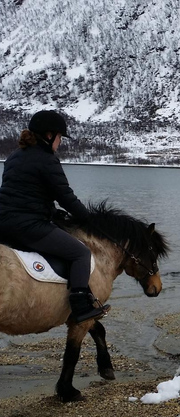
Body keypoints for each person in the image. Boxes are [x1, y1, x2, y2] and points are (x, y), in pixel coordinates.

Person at [0, 110, 110, 322]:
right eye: (60, 137)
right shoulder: (47, 160)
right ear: (49, 135)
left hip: (3, 224)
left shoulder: (13, 157)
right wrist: (89, 219)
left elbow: (25, 193)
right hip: (28, 227)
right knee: (81, 254)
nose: (60, 142)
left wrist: (52, 212)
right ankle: (80, 306)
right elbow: (66, 197)